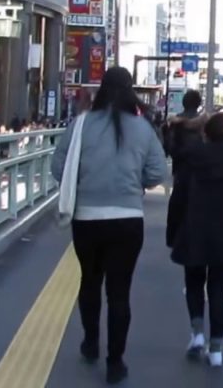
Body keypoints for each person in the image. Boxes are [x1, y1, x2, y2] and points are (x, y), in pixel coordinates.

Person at [51, 66, 168, 384]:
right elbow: (158, 171)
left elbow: (58, 166)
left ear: (102, 89)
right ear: (130, 91)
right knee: (119, 292)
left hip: (86, 219)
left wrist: (84, 182)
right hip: (128, 220)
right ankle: (115, 362)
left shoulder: (81, 124)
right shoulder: (142, 128)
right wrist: (136, 183)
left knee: (89, 281)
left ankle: (90, 344)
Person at [166, 112, 223, 368]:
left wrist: (173, 232)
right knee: (218, 289)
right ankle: (216, 350)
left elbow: (178, 198)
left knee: (193, 283)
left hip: (194, 229)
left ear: (206, 133)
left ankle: (197, 334)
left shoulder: (193, 158)